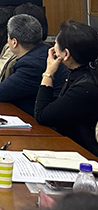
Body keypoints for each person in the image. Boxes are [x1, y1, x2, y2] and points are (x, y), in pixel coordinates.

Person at [34, 21, 98, 156]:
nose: (52, 48)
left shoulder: (84, 87)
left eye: (56, 44)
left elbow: (42, 115)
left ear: (66, 54)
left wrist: (48, 73)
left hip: (84, 154)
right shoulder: (82, 72)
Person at [0, 14, 67, 116]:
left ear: (14, 42)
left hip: (42, 121)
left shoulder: (31, 65)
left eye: (8, 37)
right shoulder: (44, 51)